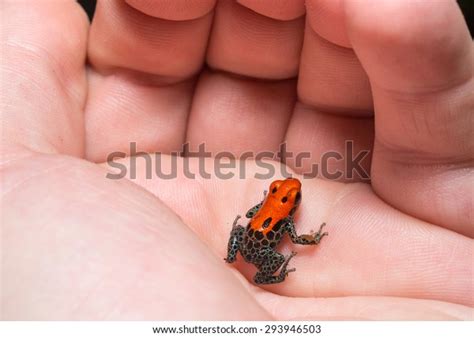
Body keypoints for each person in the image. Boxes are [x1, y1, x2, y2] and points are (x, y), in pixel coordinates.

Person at [1, 0, 472, 319]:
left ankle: (234, 255)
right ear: (278, 200)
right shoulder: (283, 223)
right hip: (257, 244)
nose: (287, 193)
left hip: (246, 240)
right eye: (284, 193)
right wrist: (289, 259)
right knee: (268, 251)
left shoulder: (268, 216)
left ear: (279, 202)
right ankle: (260, 266)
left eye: (287, 195)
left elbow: (271, 223)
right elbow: (301, 239)